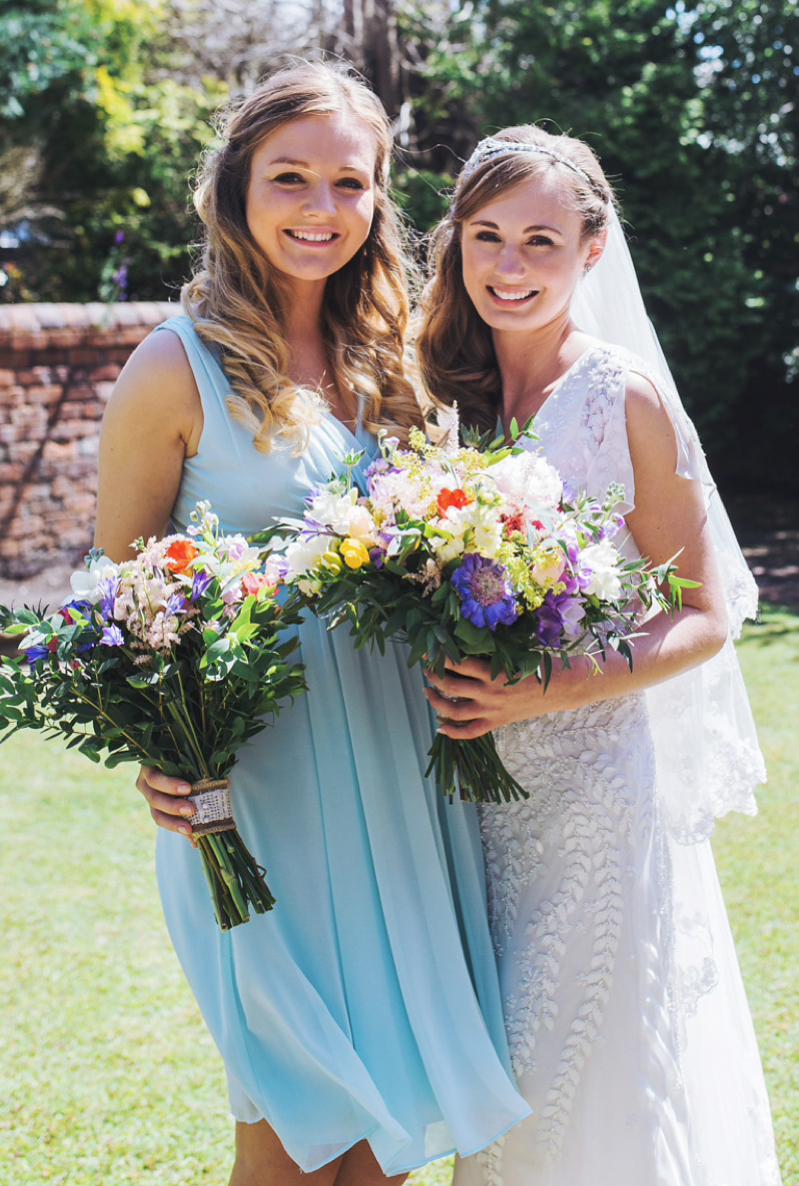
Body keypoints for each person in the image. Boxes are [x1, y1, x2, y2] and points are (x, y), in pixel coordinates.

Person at [96, 65, 528, 1186]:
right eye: (290, 177)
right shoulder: (171, 365)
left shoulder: (397, 366)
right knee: (292, 1131)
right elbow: (121, 589)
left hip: (398, 777)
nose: (319, 208)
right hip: (256, 794)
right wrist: (162, 754)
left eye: (349, 182)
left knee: (380, 1133)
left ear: (380, 200)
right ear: (236, 186)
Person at [415, 126, 782, 1185]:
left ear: (591, 248)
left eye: (539, 238)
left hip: (593, 801)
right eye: (485, 236)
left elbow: (704, 611)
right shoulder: (446, 400)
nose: (508, 265)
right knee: (502, 1091)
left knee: (582, 1068)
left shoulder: (621, 395)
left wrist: (543, 688)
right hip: (472, 805)